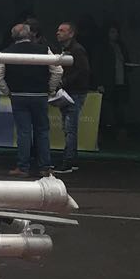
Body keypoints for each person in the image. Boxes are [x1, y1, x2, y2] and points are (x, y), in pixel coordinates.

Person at [0, 23, 56, 178]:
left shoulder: (6, 52)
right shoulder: (43, 50)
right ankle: (44, 167)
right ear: (30, 35)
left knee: (23, 132)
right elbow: (58, 70)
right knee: (42, 131)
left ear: (13, 36)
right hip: (40, 96)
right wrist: (50, 89)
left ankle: (23, 167)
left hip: (19, 96)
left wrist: (8, 92)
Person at [52, 22, 91, 175]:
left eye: (62, 30)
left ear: (71, 33)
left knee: (69, 128)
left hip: (74, 92)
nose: (58, 33)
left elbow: (83, 70)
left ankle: (68, 162)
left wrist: (64, 82)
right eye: (58, 30)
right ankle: (72, 160)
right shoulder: (68, 49)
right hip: (70, 91)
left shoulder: (77, 50)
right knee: (69, 128)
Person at [96, 24, 130, 140]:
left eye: (116, 32)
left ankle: (119, 133)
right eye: (112, 32)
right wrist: (99, 82)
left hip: (121, 81)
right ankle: (105, 133)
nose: (115, 35)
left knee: (120, 108)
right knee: (106, 108)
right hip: (107, 82)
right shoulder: (102, 47)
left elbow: (126, 61)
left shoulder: (121, 46)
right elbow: (98, 66)